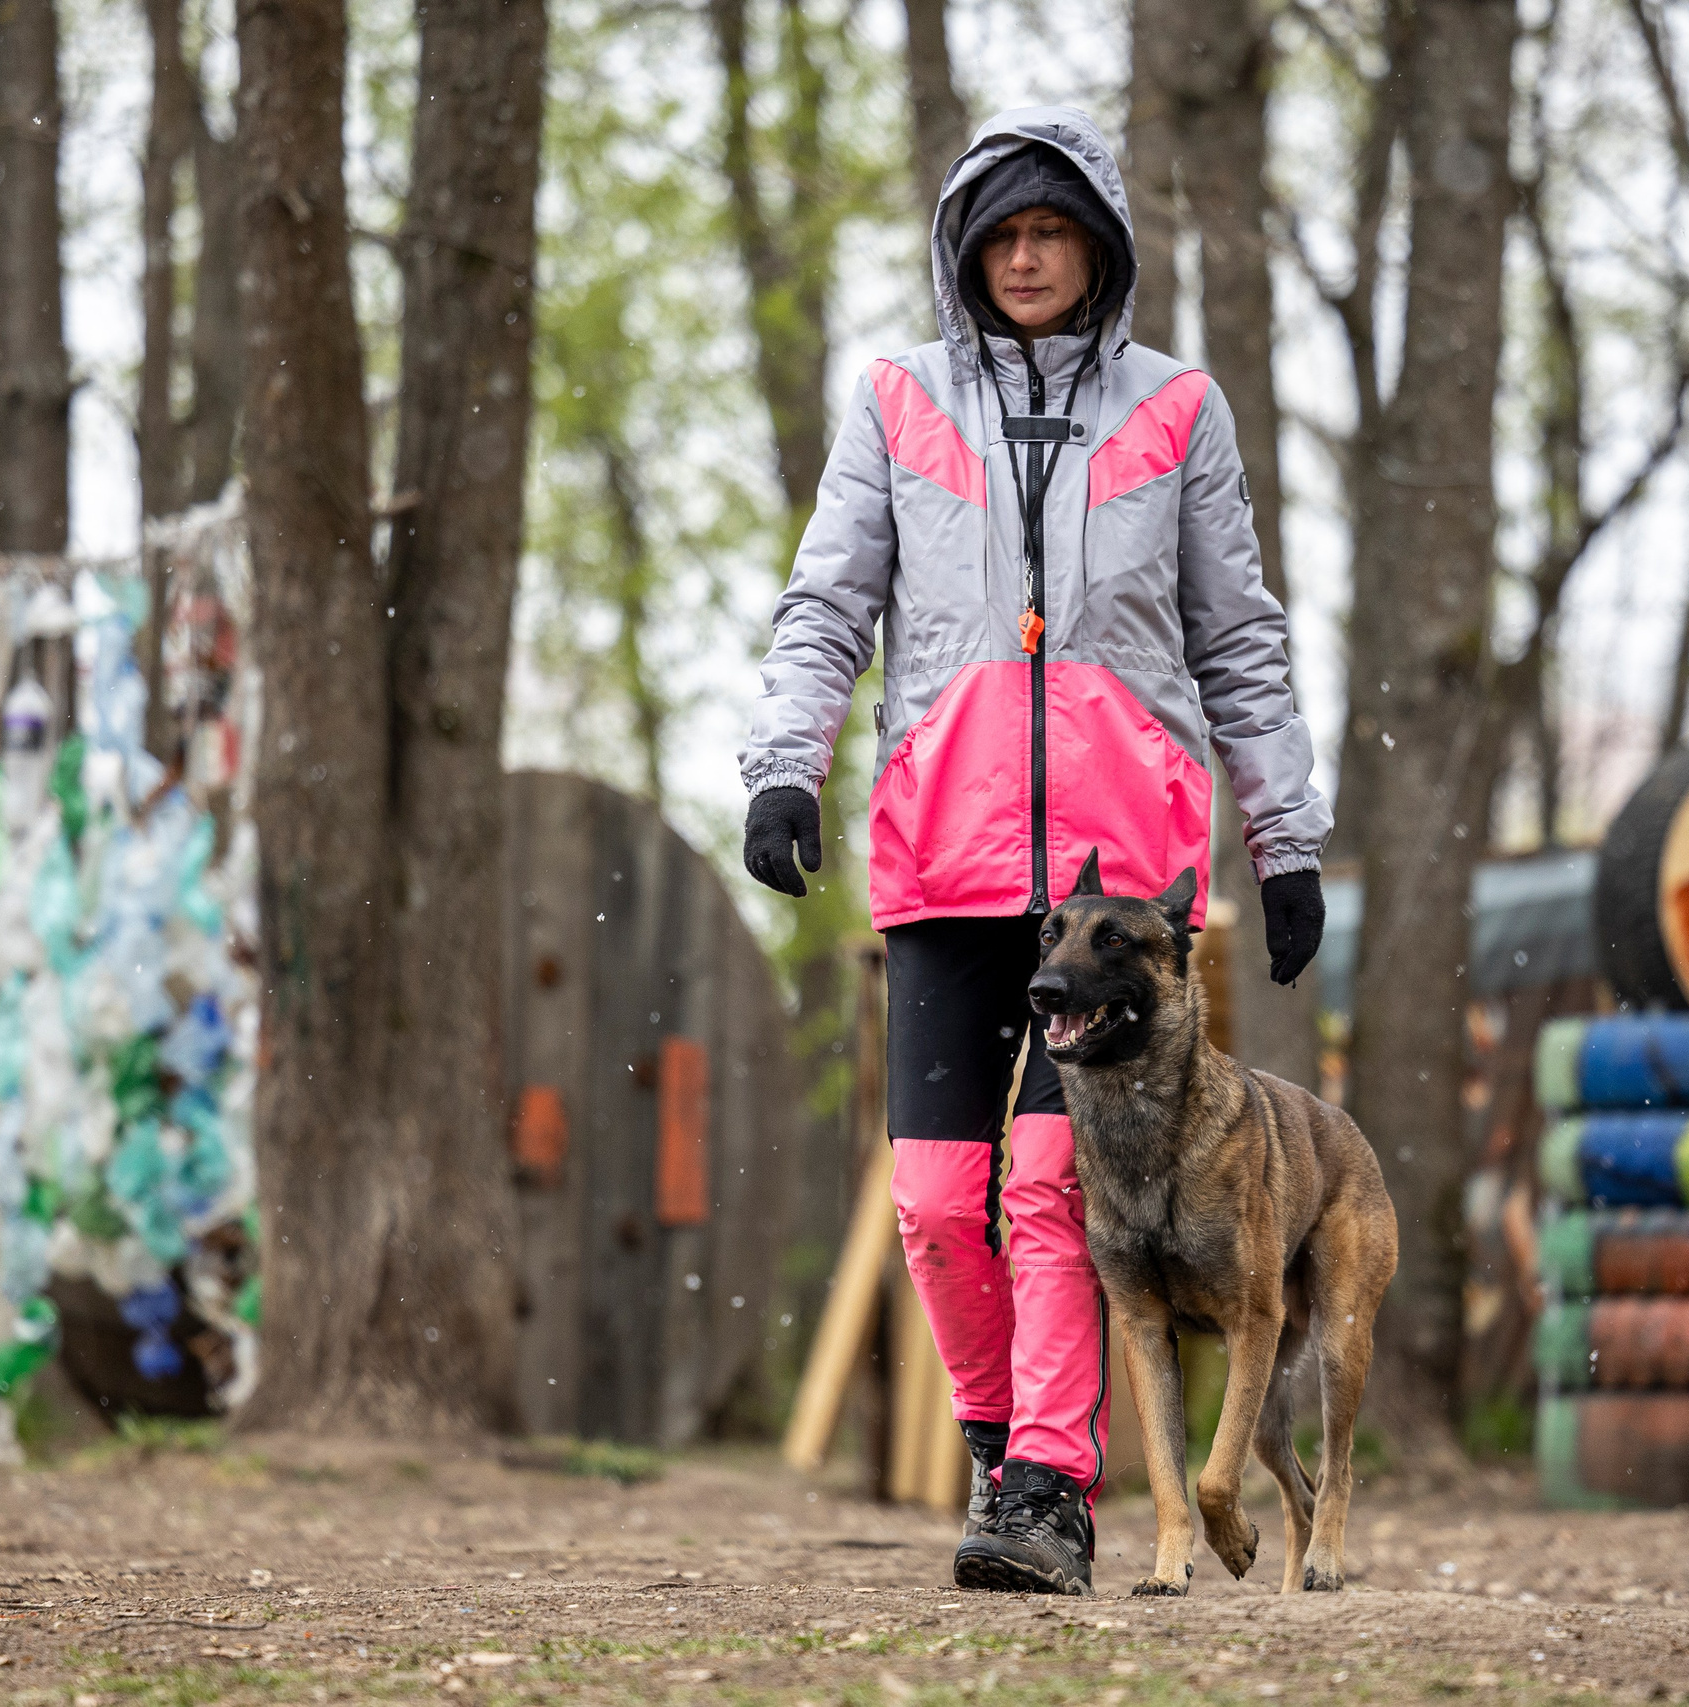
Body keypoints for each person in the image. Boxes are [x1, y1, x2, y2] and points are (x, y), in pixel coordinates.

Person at [739, 107, 1332, 1596]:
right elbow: (826, 604)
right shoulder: (895, 402)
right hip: (943, 860)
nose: (1025, 256)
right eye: (1001, 233)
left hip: (1122, 891)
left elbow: (1238, 638)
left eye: (1051, 230)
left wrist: (1284, 837)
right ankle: (1011, 1454)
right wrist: (782, 770)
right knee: (943, 1206)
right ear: (965, 251)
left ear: (1099, 248)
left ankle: (1055, 1490)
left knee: (1059, 1193)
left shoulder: (1178, 411)